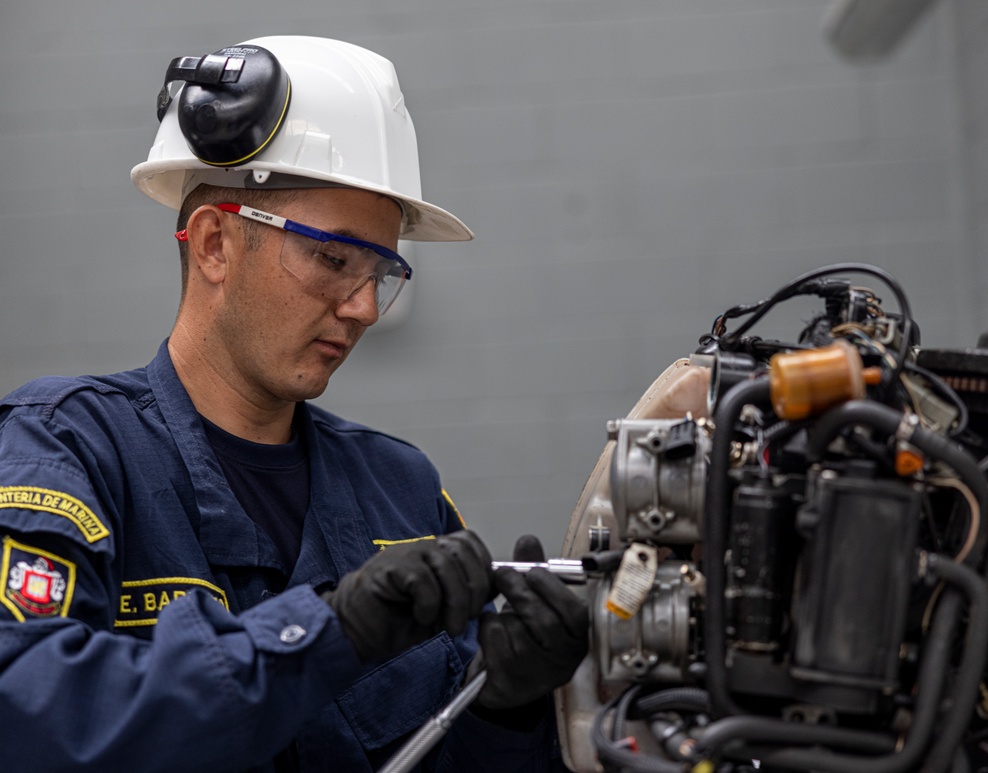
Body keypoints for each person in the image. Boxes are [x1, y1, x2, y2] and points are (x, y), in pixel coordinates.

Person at [0, 36, 589, 772]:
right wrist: (327, 629)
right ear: (215, 243)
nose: (367, 306)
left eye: (383, 269)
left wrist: (507, 706)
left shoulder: (401, 489)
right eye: (334, 259)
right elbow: (31, 716)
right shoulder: (67, 453)